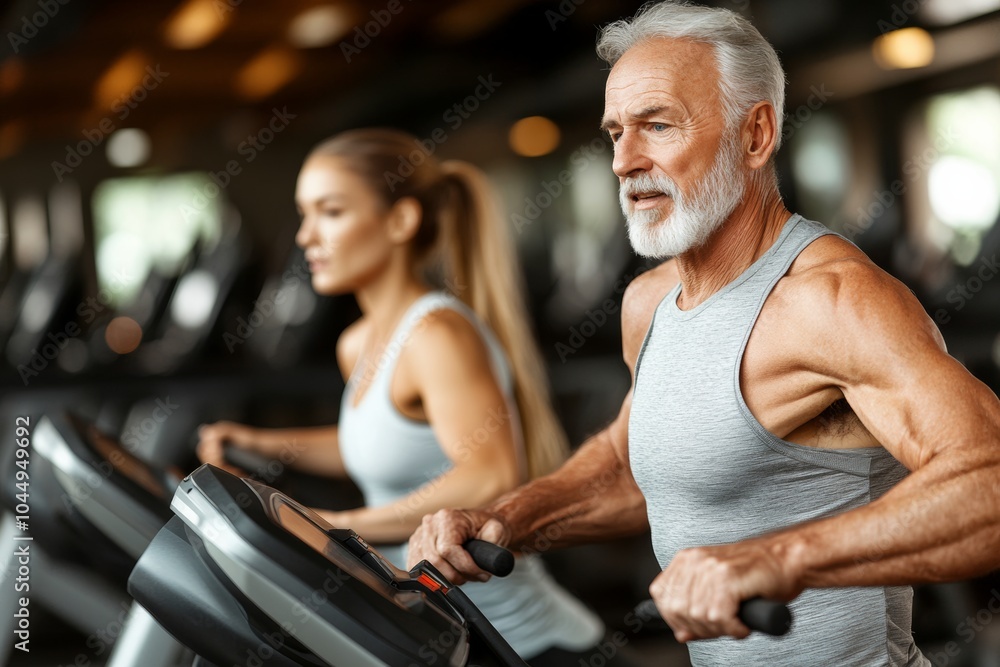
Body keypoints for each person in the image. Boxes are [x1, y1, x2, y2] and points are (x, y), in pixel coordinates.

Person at [407, 3, 1000, 666]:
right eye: (615, 133)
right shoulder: (649, 302)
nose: (624, 162)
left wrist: (779, 558)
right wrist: (501, 519)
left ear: (755, 136)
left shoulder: (831, 298)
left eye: (657, 125)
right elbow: (636, 471)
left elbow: (991, 479)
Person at [196, 128, 625, 665]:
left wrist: (335, 525)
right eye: (304, 214)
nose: (306, 236)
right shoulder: (359, 343)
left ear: (400, 221)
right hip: (436, 635)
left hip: (529, 647)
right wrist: (260, 441)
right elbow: (380, 441)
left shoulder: (437, 335)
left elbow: (491, 474)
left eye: (330, 211)